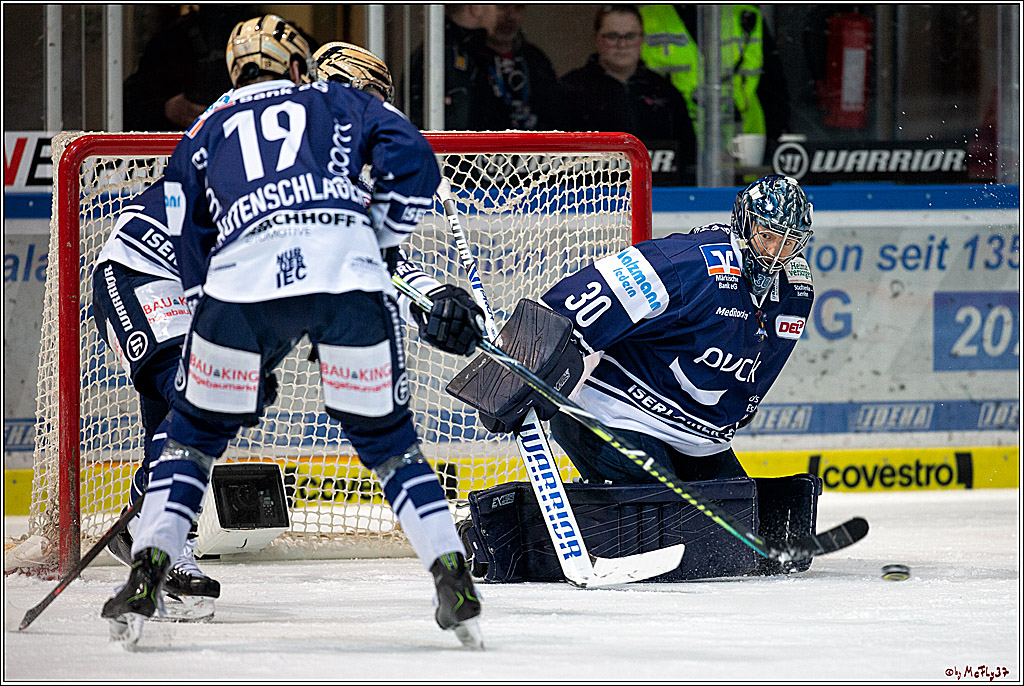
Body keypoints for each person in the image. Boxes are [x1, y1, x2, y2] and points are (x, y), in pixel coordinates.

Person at [101, 15, 485, 650]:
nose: (370, 108)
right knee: (180, 397)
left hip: (227, 279)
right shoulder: (314, 120)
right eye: (364, 95)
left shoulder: (256, 123)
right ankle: (165, 545)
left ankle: (150, 542)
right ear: (315, 78)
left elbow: (331, 236)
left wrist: (430, 295)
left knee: (194, 419)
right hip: (145, 268)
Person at [452, 174, 820, 579]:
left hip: (697, 440)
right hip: (614, 416)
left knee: (732, 542)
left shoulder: (796, 289)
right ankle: (486, 531)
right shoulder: (689, 264)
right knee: (666, 526)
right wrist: (510, 377)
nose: (776, 253)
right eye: (768, 236)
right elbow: (574, 301)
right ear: (744, 222)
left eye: (790, 242)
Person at [560, 5, 697, 185]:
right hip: (588, 202)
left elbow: (689, 157)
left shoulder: (665, 92)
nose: (622, 44)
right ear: (596, 38)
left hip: (659, 201)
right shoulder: (569, 89)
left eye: (630, 36)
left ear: (642, 38)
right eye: (612, 36)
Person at [639, 5, 791, 147]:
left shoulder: (746, 14)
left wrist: (776, 143)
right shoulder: (648, 16)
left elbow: (773, 85)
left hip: (744, 141)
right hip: (676, 143)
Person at [123, 5, 256, 130]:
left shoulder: (261, 35)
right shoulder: (170, 40)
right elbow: (124, 108)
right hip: (182, 140)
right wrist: (166, 109)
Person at [407, 5, 501, 130]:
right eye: (498, 5)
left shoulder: (472, 52)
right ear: (476, 7)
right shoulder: (444, 55)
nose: (500, 13)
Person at [477, 4, 566, 130]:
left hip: (532, 146)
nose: (511, 16)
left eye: (518, 7)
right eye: (502, 7)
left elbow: (554, 113)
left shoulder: (535, 59)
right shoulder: (471, 57)